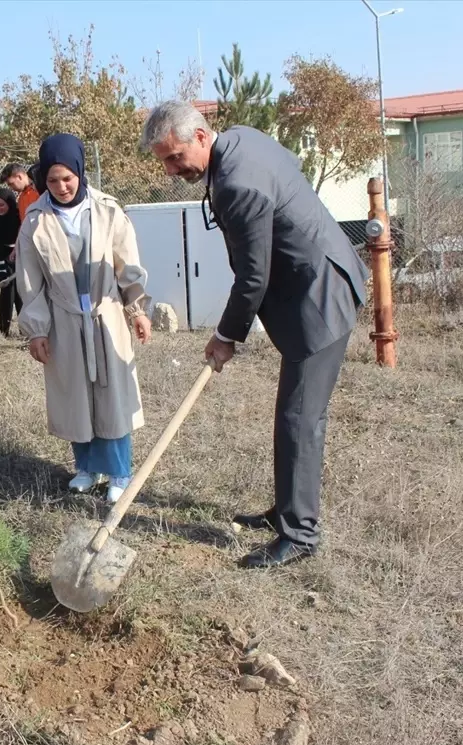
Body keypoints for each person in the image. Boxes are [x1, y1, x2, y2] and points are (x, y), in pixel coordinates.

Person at [140, 100, 370, 569]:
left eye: (174, 157)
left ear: (201, 137)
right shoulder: (242, 138)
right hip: (317, 280)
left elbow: (252, 277)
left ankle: (300, 534)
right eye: (164, 160)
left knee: (299, 419)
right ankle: (287, 508)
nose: (170, 169)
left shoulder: (236, 184)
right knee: (293, 413)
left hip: (319, 297)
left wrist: (226, 337)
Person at [17, 134, 152, 504]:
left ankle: (119, 472)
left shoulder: (107, 210)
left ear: (80, 171)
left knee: (112, 394)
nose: (61, 187)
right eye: (53, 180)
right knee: (74, 394)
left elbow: (128, 264)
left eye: (68, 178)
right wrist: (36, 331)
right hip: (63, 318)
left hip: (105, 314)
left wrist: (137, 310)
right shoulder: (35, 220)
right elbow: (31, 283)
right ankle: (86, 469)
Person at [0, 187, 22, 336]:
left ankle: (26, 330)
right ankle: (4, 330)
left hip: (22, 257)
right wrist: (0, 273)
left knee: (22, 295)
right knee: (7, 293)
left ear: (10, 203)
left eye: (1, 205)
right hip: (4, 260)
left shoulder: (19, 216)